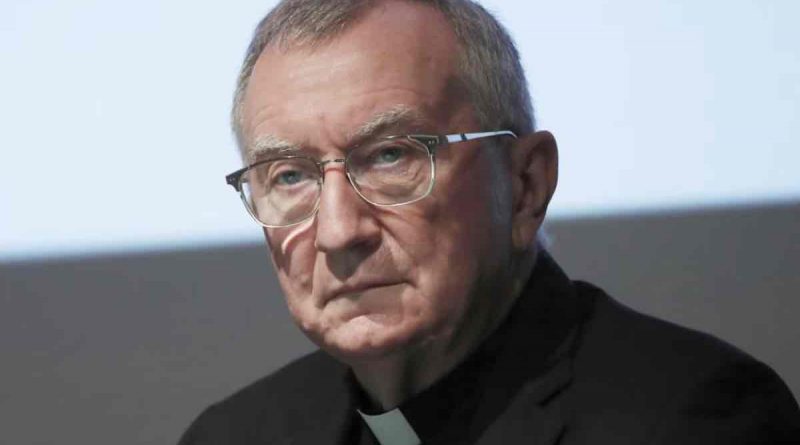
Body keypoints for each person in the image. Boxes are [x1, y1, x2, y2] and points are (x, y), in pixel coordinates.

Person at [179, 1, 800, 443]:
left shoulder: (690, 418)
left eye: (392, 156)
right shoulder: (235, 435)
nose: (339, 232)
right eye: (289, 175)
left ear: (526, 185)